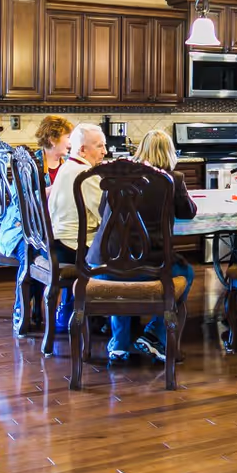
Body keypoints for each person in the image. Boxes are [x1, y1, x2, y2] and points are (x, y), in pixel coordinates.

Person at [88, 130, 197, 363]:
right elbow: (188, 212)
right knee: (186, 273)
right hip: (151, 264)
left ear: (142, 150)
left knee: (121, 271)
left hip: (105, 262)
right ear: (169, 152)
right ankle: (155, 334)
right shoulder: (172, 179)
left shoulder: (117, 177)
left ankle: (119, 344)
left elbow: (101, 212)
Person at [0, 117, 73, 328]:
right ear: (52, 138)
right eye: (68, 137)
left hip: (55, 228)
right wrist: (53, 190)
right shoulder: (30, 164)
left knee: (68, 251)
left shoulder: (68, 165)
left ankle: (64, 313)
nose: (71, 142)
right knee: (30, 253)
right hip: (21, 228)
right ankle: (21, 308)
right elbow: (21, 200)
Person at [44, 123, 108, 337]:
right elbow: (106, 216)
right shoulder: (85, 174)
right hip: (74, 247)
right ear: (82, 150)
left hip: (58, 242)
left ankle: (70, 312)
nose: (105, 151)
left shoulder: (67, 167)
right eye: (99, 146)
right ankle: (111, 317)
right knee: (123, 252)